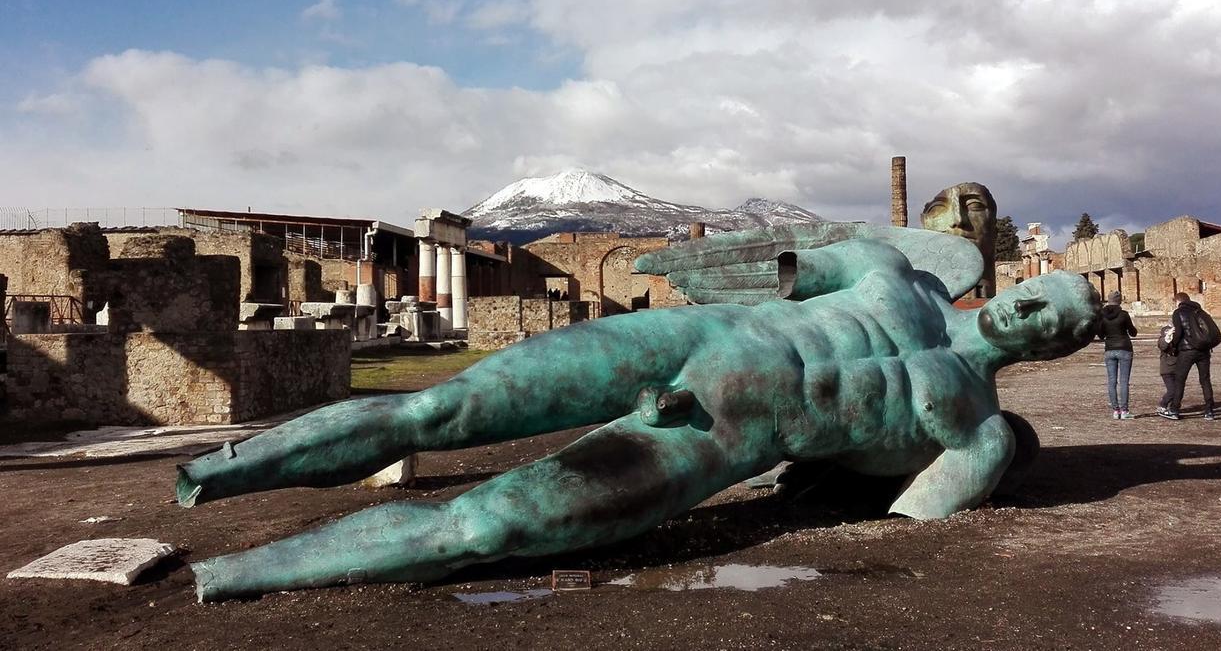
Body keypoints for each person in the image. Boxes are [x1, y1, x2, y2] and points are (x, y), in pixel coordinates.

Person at [174, 228, 1100, 602]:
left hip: (716, 434)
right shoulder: (892, 273)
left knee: (490, 523)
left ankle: (237, 573)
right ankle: (220, 469)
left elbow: (901, 511)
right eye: (1039, 292)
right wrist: (711, 259)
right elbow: (774, 263)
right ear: (1017, 287)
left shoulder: (974, 427)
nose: (1032, 312)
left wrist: (853, 473)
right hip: (681, 338)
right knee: (439, 406)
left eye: (1054, 320)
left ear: (1055, 347)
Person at [1158, 292, 1219, 420]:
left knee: (1180, 380)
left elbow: (1179, 333)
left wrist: (1173, 346)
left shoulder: (1178, 312)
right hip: (1203, 350)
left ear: (1178, 302)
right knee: (1205, 380)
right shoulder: (1200, 312)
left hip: (1187, 351)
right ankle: (1209, 410)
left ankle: (1174, 409)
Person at [1097, 291, 1137, 419]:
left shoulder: (1102, 316)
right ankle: (1125, 411)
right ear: (1119, 301)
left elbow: (1101, 334)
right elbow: (1133, 332)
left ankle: (1116, 411)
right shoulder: (1124, 315)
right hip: (1124, 348)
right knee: (1124, 381)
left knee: (1111, 381)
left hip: (1109, 349)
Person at [1155, 321, 1179, 418]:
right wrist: (1168, 336)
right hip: (1167, 370)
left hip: (1178, 369)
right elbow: (1163, 345)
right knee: (1172, 390)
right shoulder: (1163, 338)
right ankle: (1162, 405)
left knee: (1178, 391)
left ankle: (1173, 408)